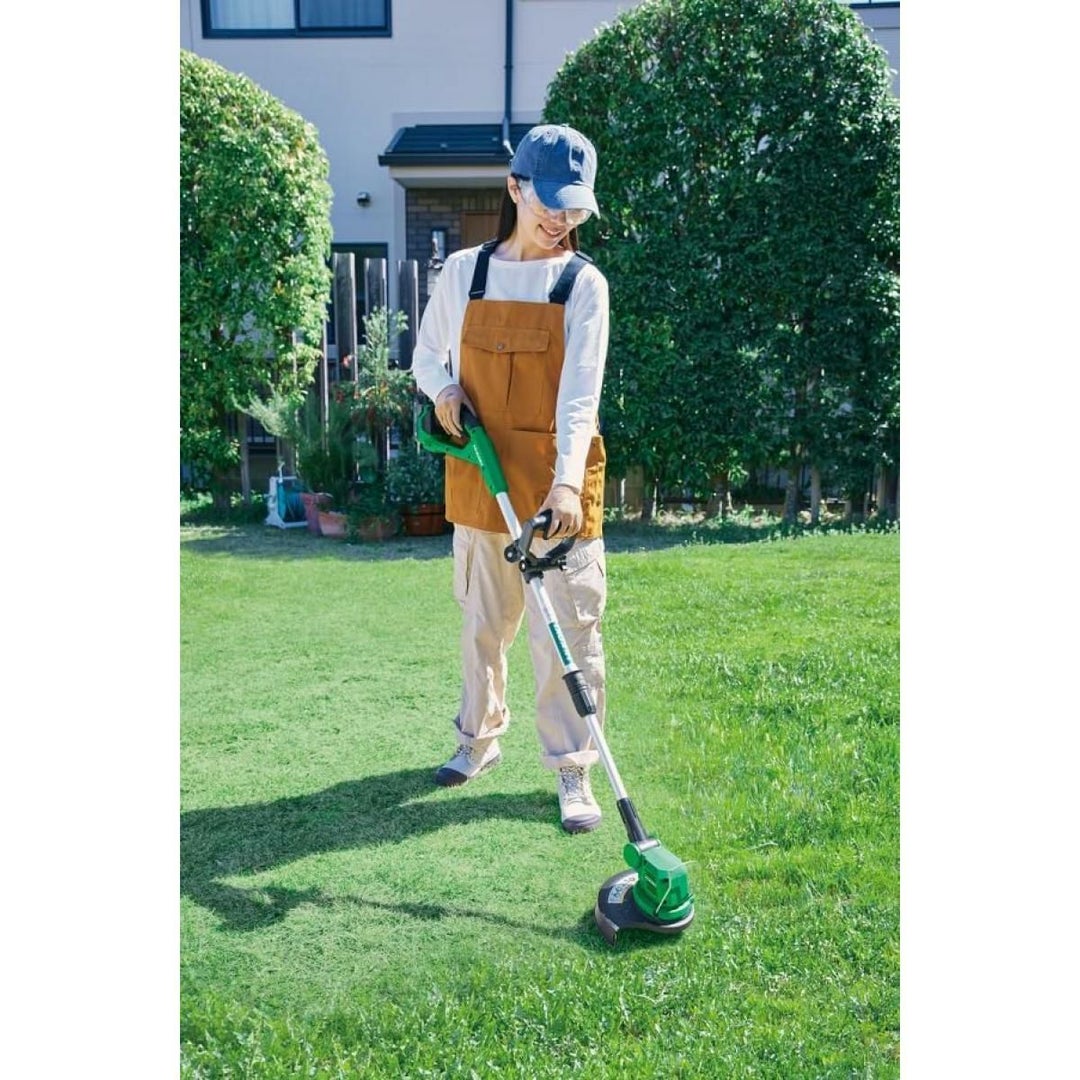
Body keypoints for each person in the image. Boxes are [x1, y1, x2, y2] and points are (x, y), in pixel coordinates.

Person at [411, 124, 610, 834]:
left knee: (568, 640)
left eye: (575, 206)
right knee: (482, 627)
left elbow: (580, 395)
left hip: (557, 493)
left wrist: (565, 485)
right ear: (515, 189)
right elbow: (426, 355)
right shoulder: (466, 273)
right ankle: (477, 742)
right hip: (482, 481)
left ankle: (572, 769)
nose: (562, 219)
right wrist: (443, 390)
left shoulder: (582, 283)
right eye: (551, 202)